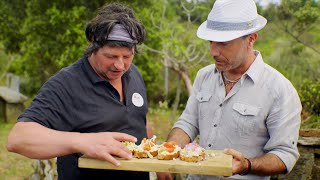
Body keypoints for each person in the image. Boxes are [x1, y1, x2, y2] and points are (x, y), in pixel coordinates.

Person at [7, 3, 152, 180]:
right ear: (93, 47)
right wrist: (83, 141)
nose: (120, 65)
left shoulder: (133, 73)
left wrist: (159, 164)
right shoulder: (67, 84)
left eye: (127, 56)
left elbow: (139, 119)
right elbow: (18, 138)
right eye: (111, 56)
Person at [165, 0, 302, 180]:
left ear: (251, 39)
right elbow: (188, 123)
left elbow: (285, 155)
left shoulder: (279, 90)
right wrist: (168, 152)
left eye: (224, 43)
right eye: (211, 41)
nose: (213, 51)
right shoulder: (204, 76)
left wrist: (246, 165)